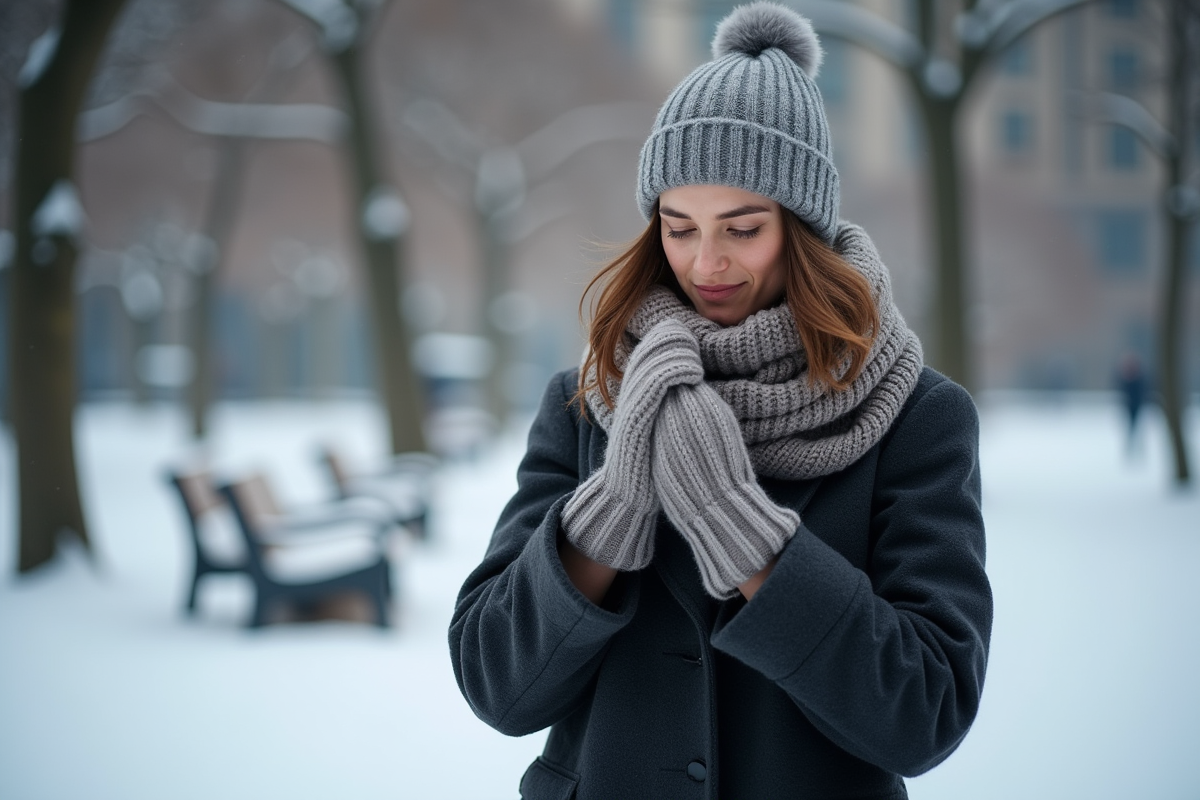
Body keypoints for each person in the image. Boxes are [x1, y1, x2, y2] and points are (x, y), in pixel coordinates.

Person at [449, 4, 992, 798]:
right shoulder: (588, 401)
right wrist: (613, 508)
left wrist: (744, 534)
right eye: (679, 227)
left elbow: (925, 711)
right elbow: (497, 686)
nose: (706, 264)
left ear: (803, 228)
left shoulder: (916, 416)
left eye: (742, 229)